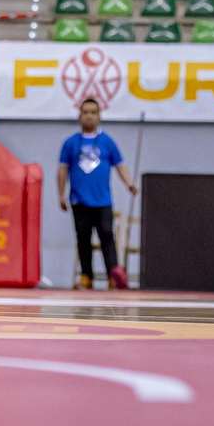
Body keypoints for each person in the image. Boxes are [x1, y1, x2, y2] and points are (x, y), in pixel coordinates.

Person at [57, 98, 137, 290]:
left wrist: (129, 183)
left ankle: (113, 274)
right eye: (86, 112)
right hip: (79, 200)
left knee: (107, 235)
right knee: (83, 237)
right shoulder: (71, 143)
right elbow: (62, 169)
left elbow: (120, 165)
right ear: (80, 116)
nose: (90, 116)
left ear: (99, 116)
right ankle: (87, 276)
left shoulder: (107, 142)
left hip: (103, 200)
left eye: (93, 112)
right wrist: (61, 194)